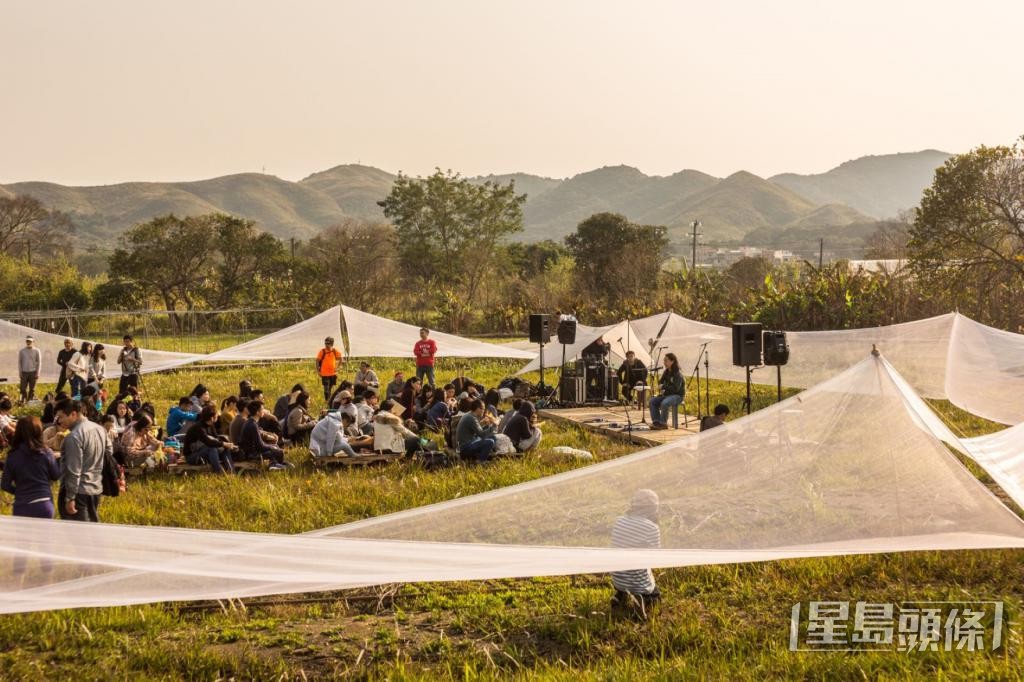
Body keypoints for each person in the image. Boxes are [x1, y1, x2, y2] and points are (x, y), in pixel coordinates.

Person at [54, 398, 110, 522]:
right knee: (91, 528)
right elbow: (109, 453)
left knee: (76, 531)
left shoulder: (74, 437)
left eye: (61, 417)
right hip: (95, 488)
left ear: (73, 414)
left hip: (78, 492)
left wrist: (70, 498)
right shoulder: (100, 429)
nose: (59, 421)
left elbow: (73, 470)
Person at [610, 489, 662, 615]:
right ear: (653, 509)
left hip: (617, 578)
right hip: (638, 582)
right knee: (656, 595)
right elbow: (654, 556)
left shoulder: (619, 521)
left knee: (625, 569)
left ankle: (620, 596)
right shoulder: (652, 528)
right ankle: (643, 599)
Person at [1, 416, 61, 519]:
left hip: (22, 505)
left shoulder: (12, 455)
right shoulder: (46, 453)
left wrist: (20, 491)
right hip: (44, 503)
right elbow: (56, 476)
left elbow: (5, 485)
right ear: (38, 432)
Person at [183, 405, 237, 474]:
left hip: (202, 451)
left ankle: (231, 471)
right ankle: (219, 472)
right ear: (212, 418)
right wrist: (224, 444)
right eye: (216, 415)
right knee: (211, 448)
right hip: (191, 456)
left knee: (225, 448)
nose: (218, 416)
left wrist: (227, 445)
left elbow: (216, 438)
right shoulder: (199, 428)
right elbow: (208, 442)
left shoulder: (211, 425)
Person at [239, 400, 288, 469]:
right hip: (251, 454)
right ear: (257, 412)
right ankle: (275, 465)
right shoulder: (252, 425)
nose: (264, 411)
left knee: (275, 447)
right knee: (278, 451)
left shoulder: (251, 422)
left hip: (251, 451)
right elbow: (260, 446)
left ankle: (276, 464)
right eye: (262, 409)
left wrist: (273, 446)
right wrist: (273, 447)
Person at [649, 352, 684, 430]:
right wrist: (660, 387)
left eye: (666, 360)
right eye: (664, 360)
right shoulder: (666, 371)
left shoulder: (678, 373)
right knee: (652, 401)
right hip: (667, 395)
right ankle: (656, 422)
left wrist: (664, 387)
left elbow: (676, 389)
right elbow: (661, 382)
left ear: (672, 361)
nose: (664, 362)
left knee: (665, 403)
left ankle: (663, 424)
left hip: (677, 396)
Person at [316, 337, 343, 403]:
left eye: (328, 343)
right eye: (325, 343)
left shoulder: (334, 351)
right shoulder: (322, 351)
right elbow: (317, 361)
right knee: (326, 389)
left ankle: (329, 401)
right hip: (324, 373)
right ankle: (327, 401)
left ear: (332, 344)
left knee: (330, 388)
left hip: (332, 373)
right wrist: (318, 371)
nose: (326, 345)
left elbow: (341, 359)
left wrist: (338, 368)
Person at [18, 335, 42, 403]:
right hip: (24, 372)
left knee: (32, 389)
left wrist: (38, 373)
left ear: (33, 342)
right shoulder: (22, 351)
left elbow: (39, 362)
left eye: (30, 341)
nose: (28, 342)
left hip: (33, 372)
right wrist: (20, 372)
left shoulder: (37, 351)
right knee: (22, 388)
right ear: (26, 342)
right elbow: (19, 362)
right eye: (27, 341)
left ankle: (30, 402)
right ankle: (24, 401)